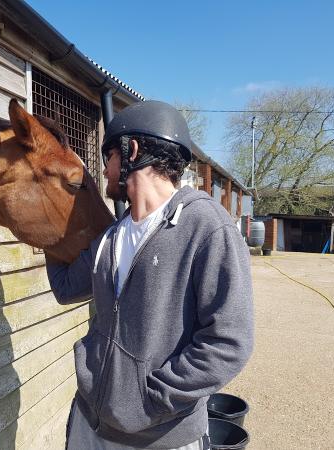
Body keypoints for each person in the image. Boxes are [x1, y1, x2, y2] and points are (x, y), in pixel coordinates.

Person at [45, 101, 254, 450]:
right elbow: (66, 289)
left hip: (159, 438)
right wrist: (46, 224)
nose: (106, 171)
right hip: (89, 424)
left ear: (133, 151)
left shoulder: (205, 227)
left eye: (107, 157)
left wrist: (151, 400)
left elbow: (229, 342)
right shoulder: (109, 239)